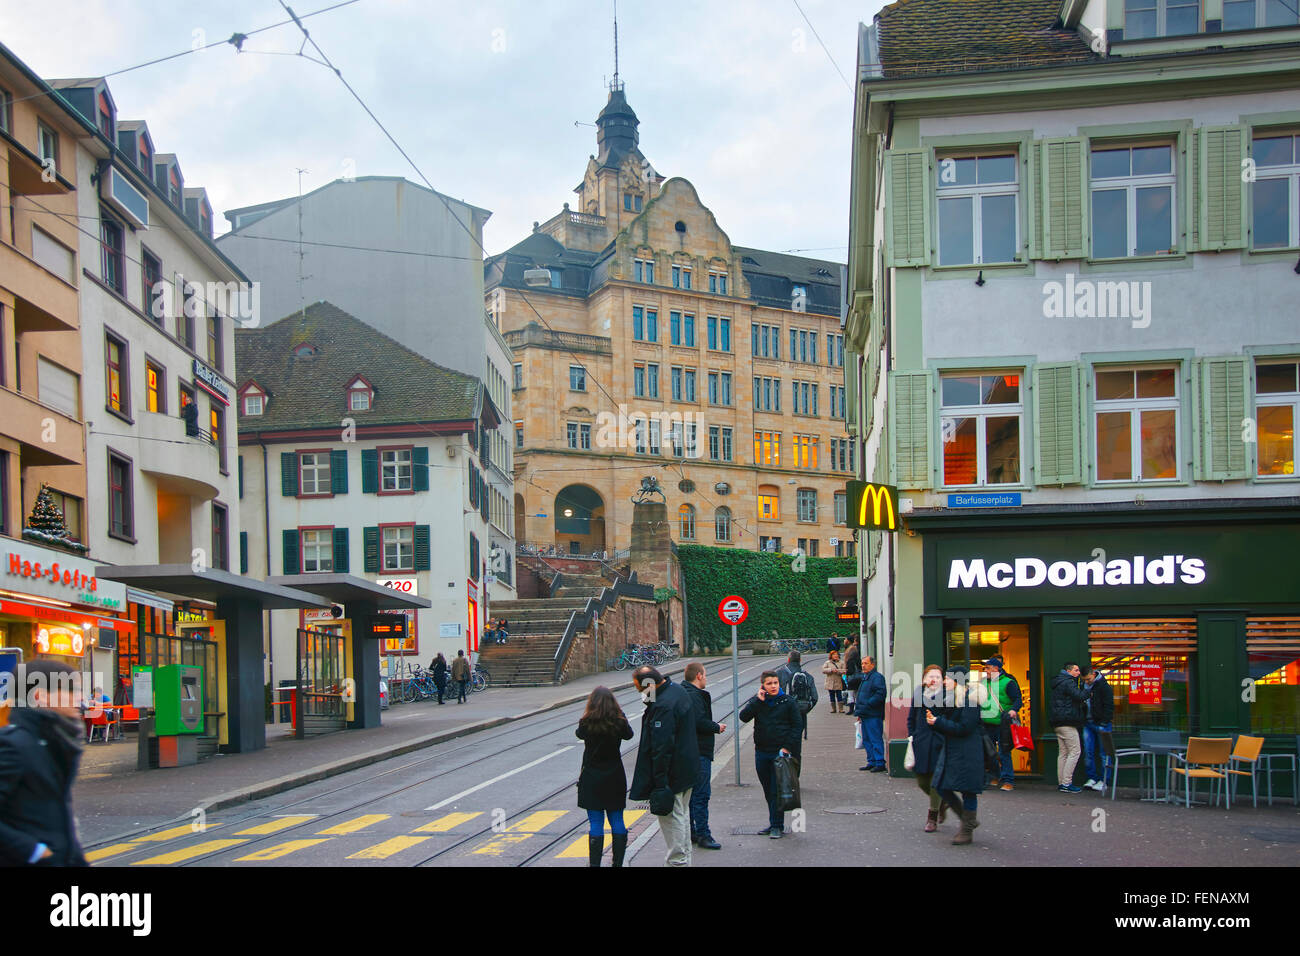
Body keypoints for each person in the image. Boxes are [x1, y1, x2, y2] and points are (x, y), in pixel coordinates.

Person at [0, 660, 88, 866]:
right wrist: (33, 851)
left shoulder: (53, 741)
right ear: (41, 696)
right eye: (73, 690)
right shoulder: (15, 745)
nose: (81, 699)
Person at [627, 666, 698, 866]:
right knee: (682, 817)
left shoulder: (663, 706)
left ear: (649, 685)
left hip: (671, 776)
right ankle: (684, 860)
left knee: (674, 821)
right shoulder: (677, 690)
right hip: (686, 771)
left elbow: (661, 747)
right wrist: (649, 698)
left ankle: (678, 862)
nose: (639, 692)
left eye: (640, 688)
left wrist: (660, 784)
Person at [738, 671, 803, 839]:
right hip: (761, 751)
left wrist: (787, 747)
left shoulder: (788, 702)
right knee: (768, 790)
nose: (773, 686)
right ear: (763, 686)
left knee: (776, 790)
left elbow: (797, 726)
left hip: (779, 753)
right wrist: (757, 701)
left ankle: (776, 826)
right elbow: (743, 717)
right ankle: (774, 822)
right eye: (769, 683)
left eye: (775, 683)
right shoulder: (759, 702)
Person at [926, 665, 986, 845]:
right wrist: (935, 719)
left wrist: (938, 722)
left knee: (968, 791)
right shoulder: (953, 698)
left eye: (947, 679)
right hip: (953, 750)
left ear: (957, 681)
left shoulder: (970, 700)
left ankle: (966, 830)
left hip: (968, 751)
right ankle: (967, 819)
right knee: (941, 785)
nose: (944, 682)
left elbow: (964, 728)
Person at [576, 686, 634, 867]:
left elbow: (579, 734)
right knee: (617, 819)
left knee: (595, 822)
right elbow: (629, 734)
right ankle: (617, 863)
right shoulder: (619, 722)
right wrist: (620, 713)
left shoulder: (586, 722)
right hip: (614, 777)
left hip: (592, 778)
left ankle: (595, 865)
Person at [681, 661, 725, 850]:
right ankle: (703, 834)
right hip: (699, 751)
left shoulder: (683, 693)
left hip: (689, 752)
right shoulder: (694, 695)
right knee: (701, 795)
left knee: (692, 796)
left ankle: (692, 832)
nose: (706, 678)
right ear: (698, 675)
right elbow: (699, 721)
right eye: (705, 674)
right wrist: (716, 727)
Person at [907, 664, 947, 832]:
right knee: (922, 781)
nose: (933, 679)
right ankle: (943, 801)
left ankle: (932, 817)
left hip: (940, 741)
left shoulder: (948, 696)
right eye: (930, 676)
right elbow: (911, 717)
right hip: (921, 741)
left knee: (935, 781)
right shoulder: (918, 693)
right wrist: (912, 735)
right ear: (924, 678)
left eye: (937, 676)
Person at [980, 656, 1023, 791]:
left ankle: (1008, 780)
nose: (985, 670)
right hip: (986, 722)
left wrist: (1013, 710)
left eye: (987, 668)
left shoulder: (1008, 682)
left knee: (1004, 752)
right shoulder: (983, 683)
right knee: (989, 752)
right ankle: (994, 776)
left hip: (1002, 723)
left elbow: (1018, 700)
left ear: (996, 668)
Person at [1049, 662, 1091, 793]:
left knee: (1063, 753)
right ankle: (1067, 783)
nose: (1078, 673)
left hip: (1057, 722)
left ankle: (1062, 782)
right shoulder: (1068, 682)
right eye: (1076, 670)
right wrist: (1088, 688)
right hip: (1068, 722)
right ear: (1068, 671)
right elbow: (1080, 696)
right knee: (1075, 751)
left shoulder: (1058, 682)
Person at [1082, 668, 1115, 792]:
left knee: (1103, 753)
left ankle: (1104, 780)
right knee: (1088, 752)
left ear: (1093, 674)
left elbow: (1109, 705)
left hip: (1101, 723)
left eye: (1088, 679)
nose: (1087, 682)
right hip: (1089, 722)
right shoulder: (1084, 686)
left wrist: (1104, 722)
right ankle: (1092, 778)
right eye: (1085, 680)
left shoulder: (1104, 687)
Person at [853, 655, 887, 772]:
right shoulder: (866, 677)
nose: (863, 665)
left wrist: (868, 704)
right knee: (867, 739)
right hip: (865, 713)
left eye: (866, 663)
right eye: (862, 663)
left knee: (875, 738)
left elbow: (880, 694)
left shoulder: (877, 677)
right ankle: (871, 761)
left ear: (873, 664)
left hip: (873, 714)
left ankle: (879, 762)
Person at [776, 650, 816, 740]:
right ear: (800, 660)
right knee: (796, 741)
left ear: (788, 660)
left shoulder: (779, 673)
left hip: (783, 714)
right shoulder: (807, 676)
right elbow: (815, 697)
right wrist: (805, 708)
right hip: (800, 713)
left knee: (783, 741)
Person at [843, 638, 861, 712]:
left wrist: (845, 673)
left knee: (850, 694)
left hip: (851, 678)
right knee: (857, 694)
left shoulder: (849, 661)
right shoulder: (858, 659)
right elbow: (860, 667)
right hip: (858, 677)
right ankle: (856, 708)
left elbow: (849, 671)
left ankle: (851, 709)